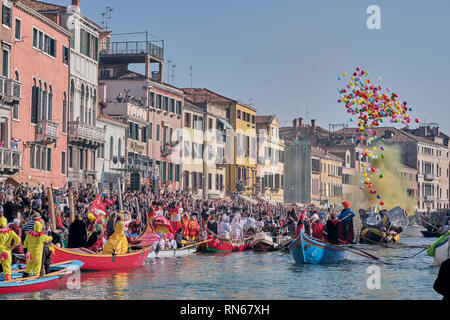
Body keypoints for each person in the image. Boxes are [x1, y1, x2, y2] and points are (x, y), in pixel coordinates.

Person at [0, 215, 21, 281]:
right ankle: (8, 283)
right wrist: (12, 247)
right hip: (7, 252)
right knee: (7, 270)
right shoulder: (10, 232)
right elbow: (18, 240)